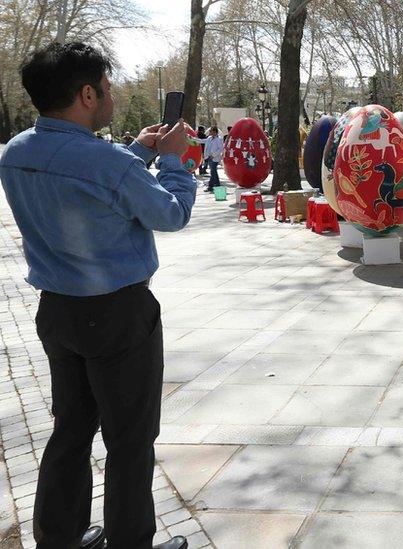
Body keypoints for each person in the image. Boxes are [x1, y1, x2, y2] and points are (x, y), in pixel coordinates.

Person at [0, 42, 194, 549]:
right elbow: (170, 213)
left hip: (58, 312)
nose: (110, 96)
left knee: (70, 431)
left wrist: (140, 152)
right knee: (129, 440)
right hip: (118, 314)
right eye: (106, 88)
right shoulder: (105, 162)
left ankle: (58, 538)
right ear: (87, 94)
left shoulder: (16, 153)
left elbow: (85, 181)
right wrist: (173, 162)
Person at [201, 126, 223, 192]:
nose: (210, 132)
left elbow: (220, 149)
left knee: (213, 172)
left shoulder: (218, 139)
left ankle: (210, 186)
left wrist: (214, 155)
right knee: (214, 172)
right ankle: (217, 185)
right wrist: (192, 138)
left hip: (214, 158)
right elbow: (202, 141)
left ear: (215, 132)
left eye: (211, 131)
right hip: (209, 157)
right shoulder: (209, 138)